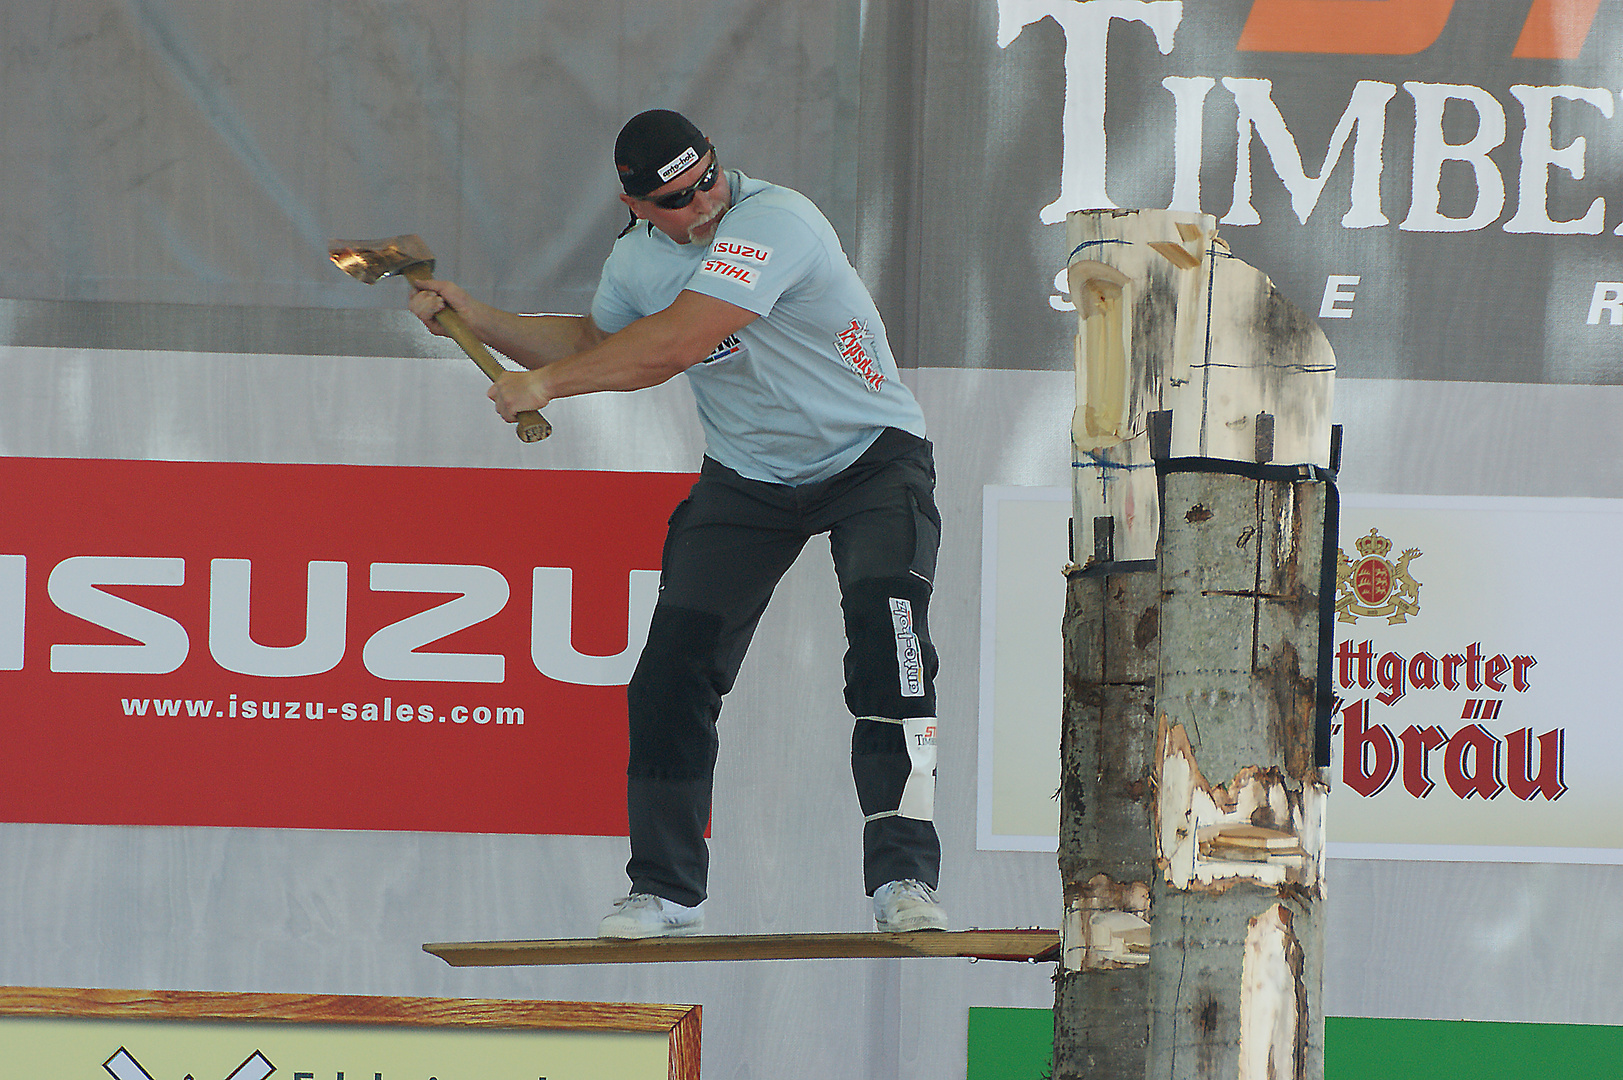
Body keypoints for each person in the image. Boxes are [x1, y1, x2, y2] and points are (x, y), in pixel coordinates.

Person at [408, 109, 945, 938]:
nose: (699, 208)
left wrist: (548, 388)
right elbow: (598, 339)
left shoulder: (776, 218)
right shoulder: (635, 262)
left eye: (706, 184)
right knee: (669, 677)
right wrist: (476, 317)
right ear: (632, 205)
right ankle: (663, 889)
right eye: (673, 201)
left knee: (890, 646)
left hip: (872, 460)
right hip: (749, 481)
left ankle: (905, 880)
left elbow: (674, 345)